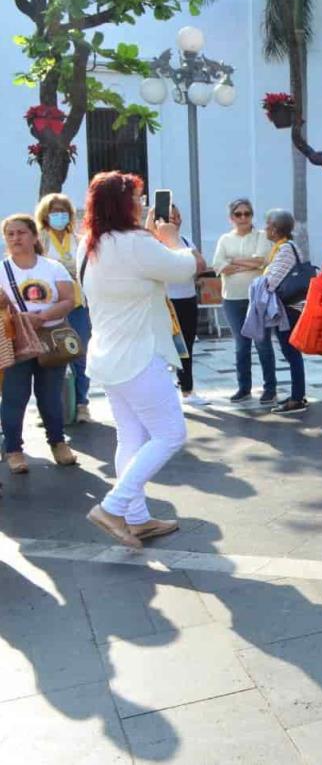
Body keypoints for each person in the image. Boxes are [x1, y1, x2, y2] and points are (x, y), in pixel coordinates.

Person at [79, 171, 196, 548]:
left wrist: (150, 237)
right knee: (170, 433)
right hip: (139, 356)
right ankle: (113, 507)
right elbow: (186, 267)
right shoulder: (133, 245)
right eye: (138, 198)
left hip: (108, 356)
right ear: (123, 204)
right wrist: (172, 238)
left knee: (132, 435)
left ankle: (137, 517)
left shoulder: (90, 243)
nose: (143, 204)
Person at [0, 214, 79, 472]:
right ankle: (13, 450)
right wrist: (18, 318)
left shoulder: (53, 267)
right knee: (14, 397)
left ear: (34, 237)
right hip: (16, 343)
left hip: (51, 341)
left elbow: (69, 300)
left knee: (50, 396)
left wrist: (43, 317)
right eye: (10, 234)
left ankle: (58, 443)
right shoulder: (1, 270)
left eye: (21, 233)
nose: (15, 238)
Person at [35, 192, 93, 422]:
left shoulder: (79, 240)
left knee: (79, 354)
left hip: (78, 305)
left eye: (62, 211)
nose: (58, 215)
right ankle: (49, 408)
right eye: (53, 211)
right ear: (45, 215)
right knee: (49, 357)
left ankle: (81, 404)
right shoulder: (40, 239)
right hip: (49, 307)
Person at [212, 198, 275, 403]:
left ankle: (270, 388)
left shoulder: (261, 236)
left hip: (256, 299)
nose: (243, 218)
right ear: (231, 218)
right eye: (238, 214)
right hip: (231, 298)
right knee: (241, 345)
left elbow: (261, 261)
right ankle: (244, 388)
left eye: (247, 213)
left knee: (263, 343)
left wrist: (233, 262)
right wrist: (247, 264)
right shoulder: (224, 239)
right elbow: (219, 266)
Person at [259, 209, 308, 414]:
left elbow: (270, 281)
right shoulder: (283, 247)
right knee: (291, 352)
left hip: (288, 309)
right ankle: (298, 395)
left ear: (276, 229)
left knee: (291, 352)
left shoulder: (286, 249)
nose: (265, 228)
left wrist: (259, 282)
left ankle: (297, 398)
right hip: (287, 307)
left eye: (268, 225)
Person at [165, 204, 210, 407]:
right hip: (165, 301)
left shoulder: (185, 241)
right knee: (165, 349)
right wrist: (187, 261)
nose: (175, 220)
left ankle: (187, 389)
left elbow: (201, 265)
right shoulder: (155, 243)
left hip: (187, 298)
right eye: (170, 217)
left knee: (186, 346)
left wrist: (186, 257)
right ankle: (166, 391)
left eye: (178, 216)